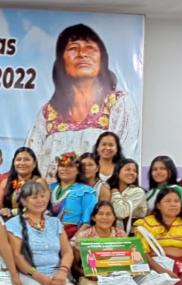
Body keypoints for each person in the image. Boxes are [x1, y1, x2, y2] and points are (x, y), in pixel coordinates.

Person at [26, 23, 139, 179]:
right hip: (52, 197)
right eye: (73, 48)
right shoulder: (48, 112)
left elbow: (124, 157)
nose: (82, 54)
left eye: (90, 48)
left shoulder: (118, 103)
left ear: (102, 58)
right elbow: (32, 159)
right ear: (61, 59)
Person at [49, 152, 96, 238]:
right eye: (62, 166)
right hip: (48, 236)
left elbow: (87, 223)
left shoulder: (87, 191)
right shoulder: (50, 188)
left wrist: (73, 242)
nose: (65, 169)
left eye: (70, 166)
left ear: (78, 170)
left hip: (73, 237)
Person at [0, 147, 48, 218]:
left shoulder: (39, 182)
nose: (22, 163)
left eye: (26, 160)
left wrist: (12, 212)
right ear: (14, 162)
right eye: (18, 159)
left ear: (34, 164)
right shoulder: (5, 183)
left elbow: (41, 208)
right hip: (8, 223)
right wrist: (3, 211)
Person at [104, 158, 146, 234]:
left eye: (135, 171)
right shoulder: (107, 189)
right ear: (117, 172)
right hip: (110, 234)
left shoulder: (138, 192)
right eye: (128, 169)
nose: (132, 173)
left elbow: (121, 213)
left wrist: (115, 193)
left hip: (133, 236)